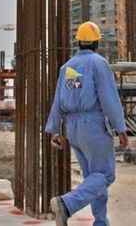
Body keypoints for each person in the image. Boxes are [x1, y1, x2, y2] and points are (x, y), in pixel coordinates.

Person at [45, 21, 128, 226]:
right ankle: (66, 204)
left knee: (94, 177)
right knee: (105, 175)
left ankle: (100, 221)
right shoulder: (98, 63)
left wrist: (54, 130)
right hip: (93, 125)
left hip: (72, 129)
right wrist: (121, 128)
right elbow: (109, 98)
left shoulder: (67, 67)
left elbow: (57, 99)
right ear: (97, 42)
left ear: (79, 43)